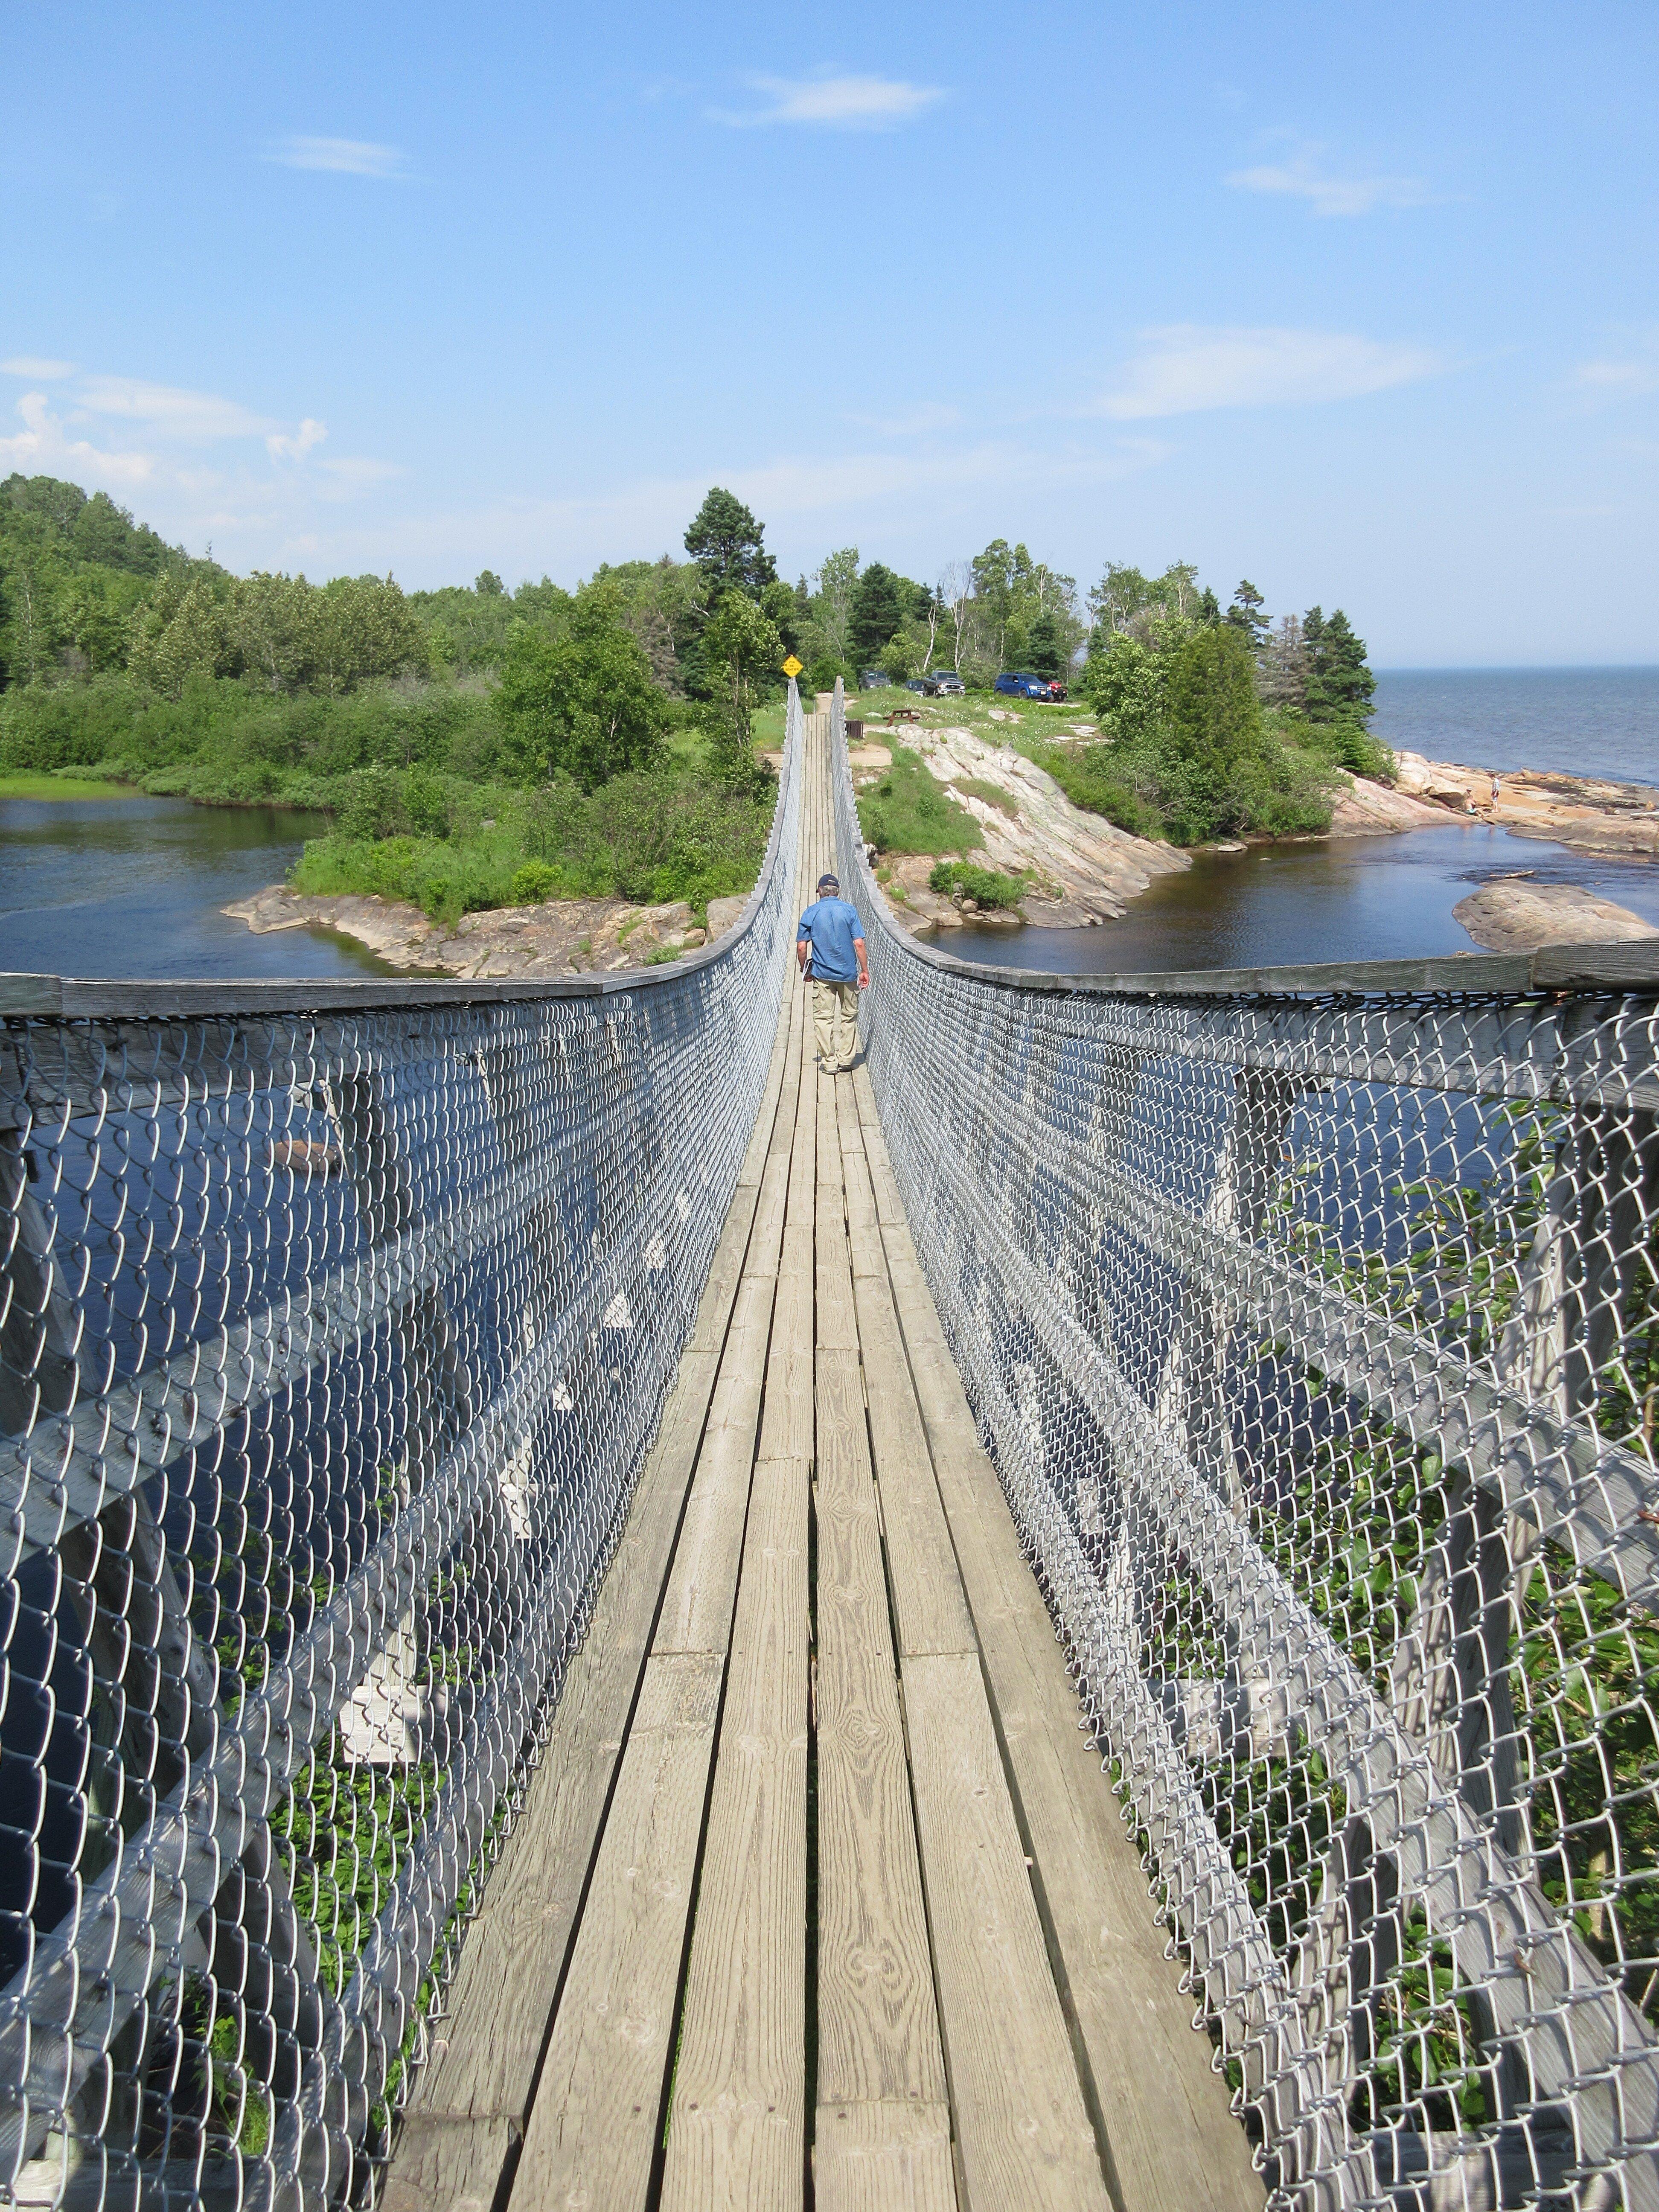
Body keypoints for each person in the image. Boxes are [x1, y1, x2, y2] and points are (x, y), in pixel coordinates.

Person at [797, 871, 869, 1074]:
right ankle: (846, 1060)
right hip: (848, 974)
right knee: (849, 1015)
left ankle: (829, 1061)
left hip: (822, 975)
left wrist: (805, 969)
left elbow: (802, 947)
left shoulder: (810, 913)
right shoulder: (850, 911)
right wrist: (864, 970)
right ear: (838, 891)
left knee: (823, 1018)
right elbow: (859, 943)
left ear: (820, 891)